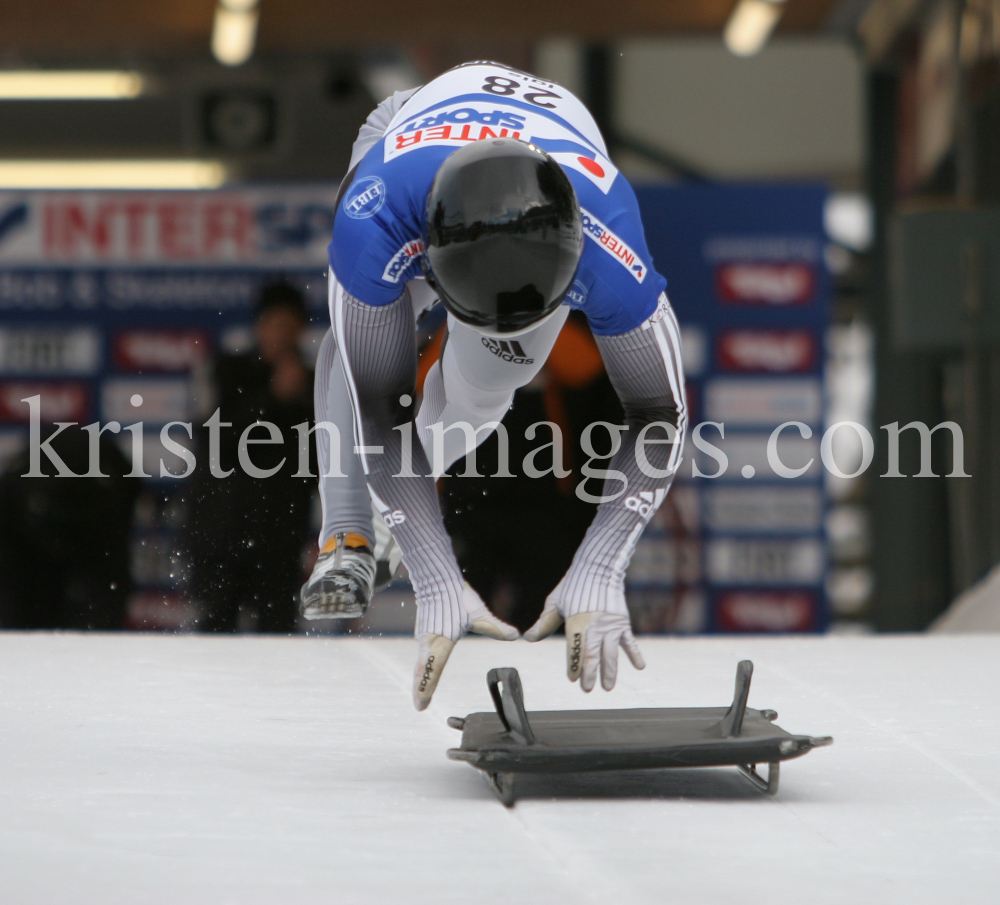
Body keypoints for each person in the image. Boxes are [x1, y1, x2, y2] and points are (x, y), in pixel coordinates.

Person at [300, 61, 687, 709]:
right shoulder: (375, 215)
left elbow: (659, 413)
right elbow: (378, 407)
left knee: (483, 390)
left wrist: (600, 564)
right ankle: (348, 534)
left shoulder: (610, 239)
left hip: (538, 171)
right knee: (355, 341)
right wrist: (434, 576)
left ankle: (398, 515)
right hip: (405, 134)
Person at [183, 281, 315, 633]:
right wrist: (272, 400)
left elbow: (322, 461)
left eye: (291, 325)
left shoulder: (317, 383)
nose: (282, 335)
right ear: (259, 325)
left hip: (281, 538)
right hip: (220, 530)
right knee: (215, 634)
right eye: (275, 324)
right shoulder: (225, 370)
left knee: (278, 635)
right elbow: (215, 440)